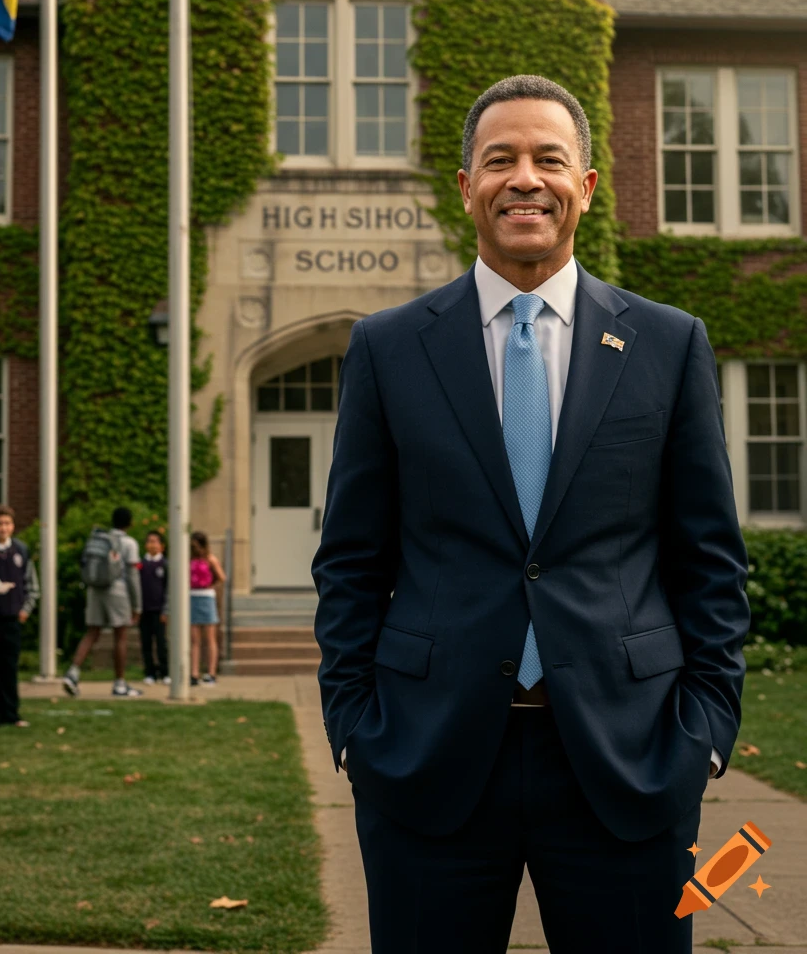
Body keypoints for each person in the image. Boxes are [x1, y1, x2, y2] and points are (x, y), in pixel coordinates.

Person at [312, 75, 751, 954]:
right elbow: (351, 562)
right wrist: (356, 730)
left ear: (585, 186)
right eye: (499, 159)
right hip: (427, 761)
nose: (524, 178)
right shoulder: (390, 348)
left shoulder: (669, 344)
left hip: (628, 764)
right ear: (465, 186)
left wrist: (703, 736)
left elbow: (709, 560)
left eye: (549, 159)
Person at [62, 507, 143, 699]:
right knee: (120, 635)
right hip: (118, 591)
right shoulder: (129, 543)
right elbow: (132, 575)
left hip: (95, 589)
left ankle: (73, 672)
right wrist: (137, 605)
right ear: (130, 523)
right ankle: (120, 683)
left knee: (92, 632)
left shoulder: (100, 539)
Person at [0, 503, 40, 728]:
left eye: (7, 524)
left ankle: (11, 713)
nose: (3, 528)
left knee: (10, 667)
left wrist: (25, 610)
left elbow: (31, 584)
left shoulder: (20, 550)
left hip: (13, 618)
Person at [189, 531, 226, 686]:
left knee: (210, 638)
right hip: (192, 596)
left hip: (206, 597)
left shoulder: (210, 559)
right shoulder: (189, 559)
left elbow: (222, 577)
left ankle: (211, 672)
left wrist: (210, 584)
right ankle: (194, 673)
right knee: (194, 640)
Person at [139, 528, 169, 685]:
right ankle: (149, 672)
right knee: (146, 643)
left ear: (162, 546)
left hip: (159, 611)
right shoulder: (141, 565)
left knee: (161, 642)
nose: (153, 545)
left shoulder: (165, 565)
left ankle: (165, 672)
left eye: (156, 542)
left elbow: (169, 589)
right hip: (144, 610)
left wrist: (166, 610)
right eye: (150, 542)